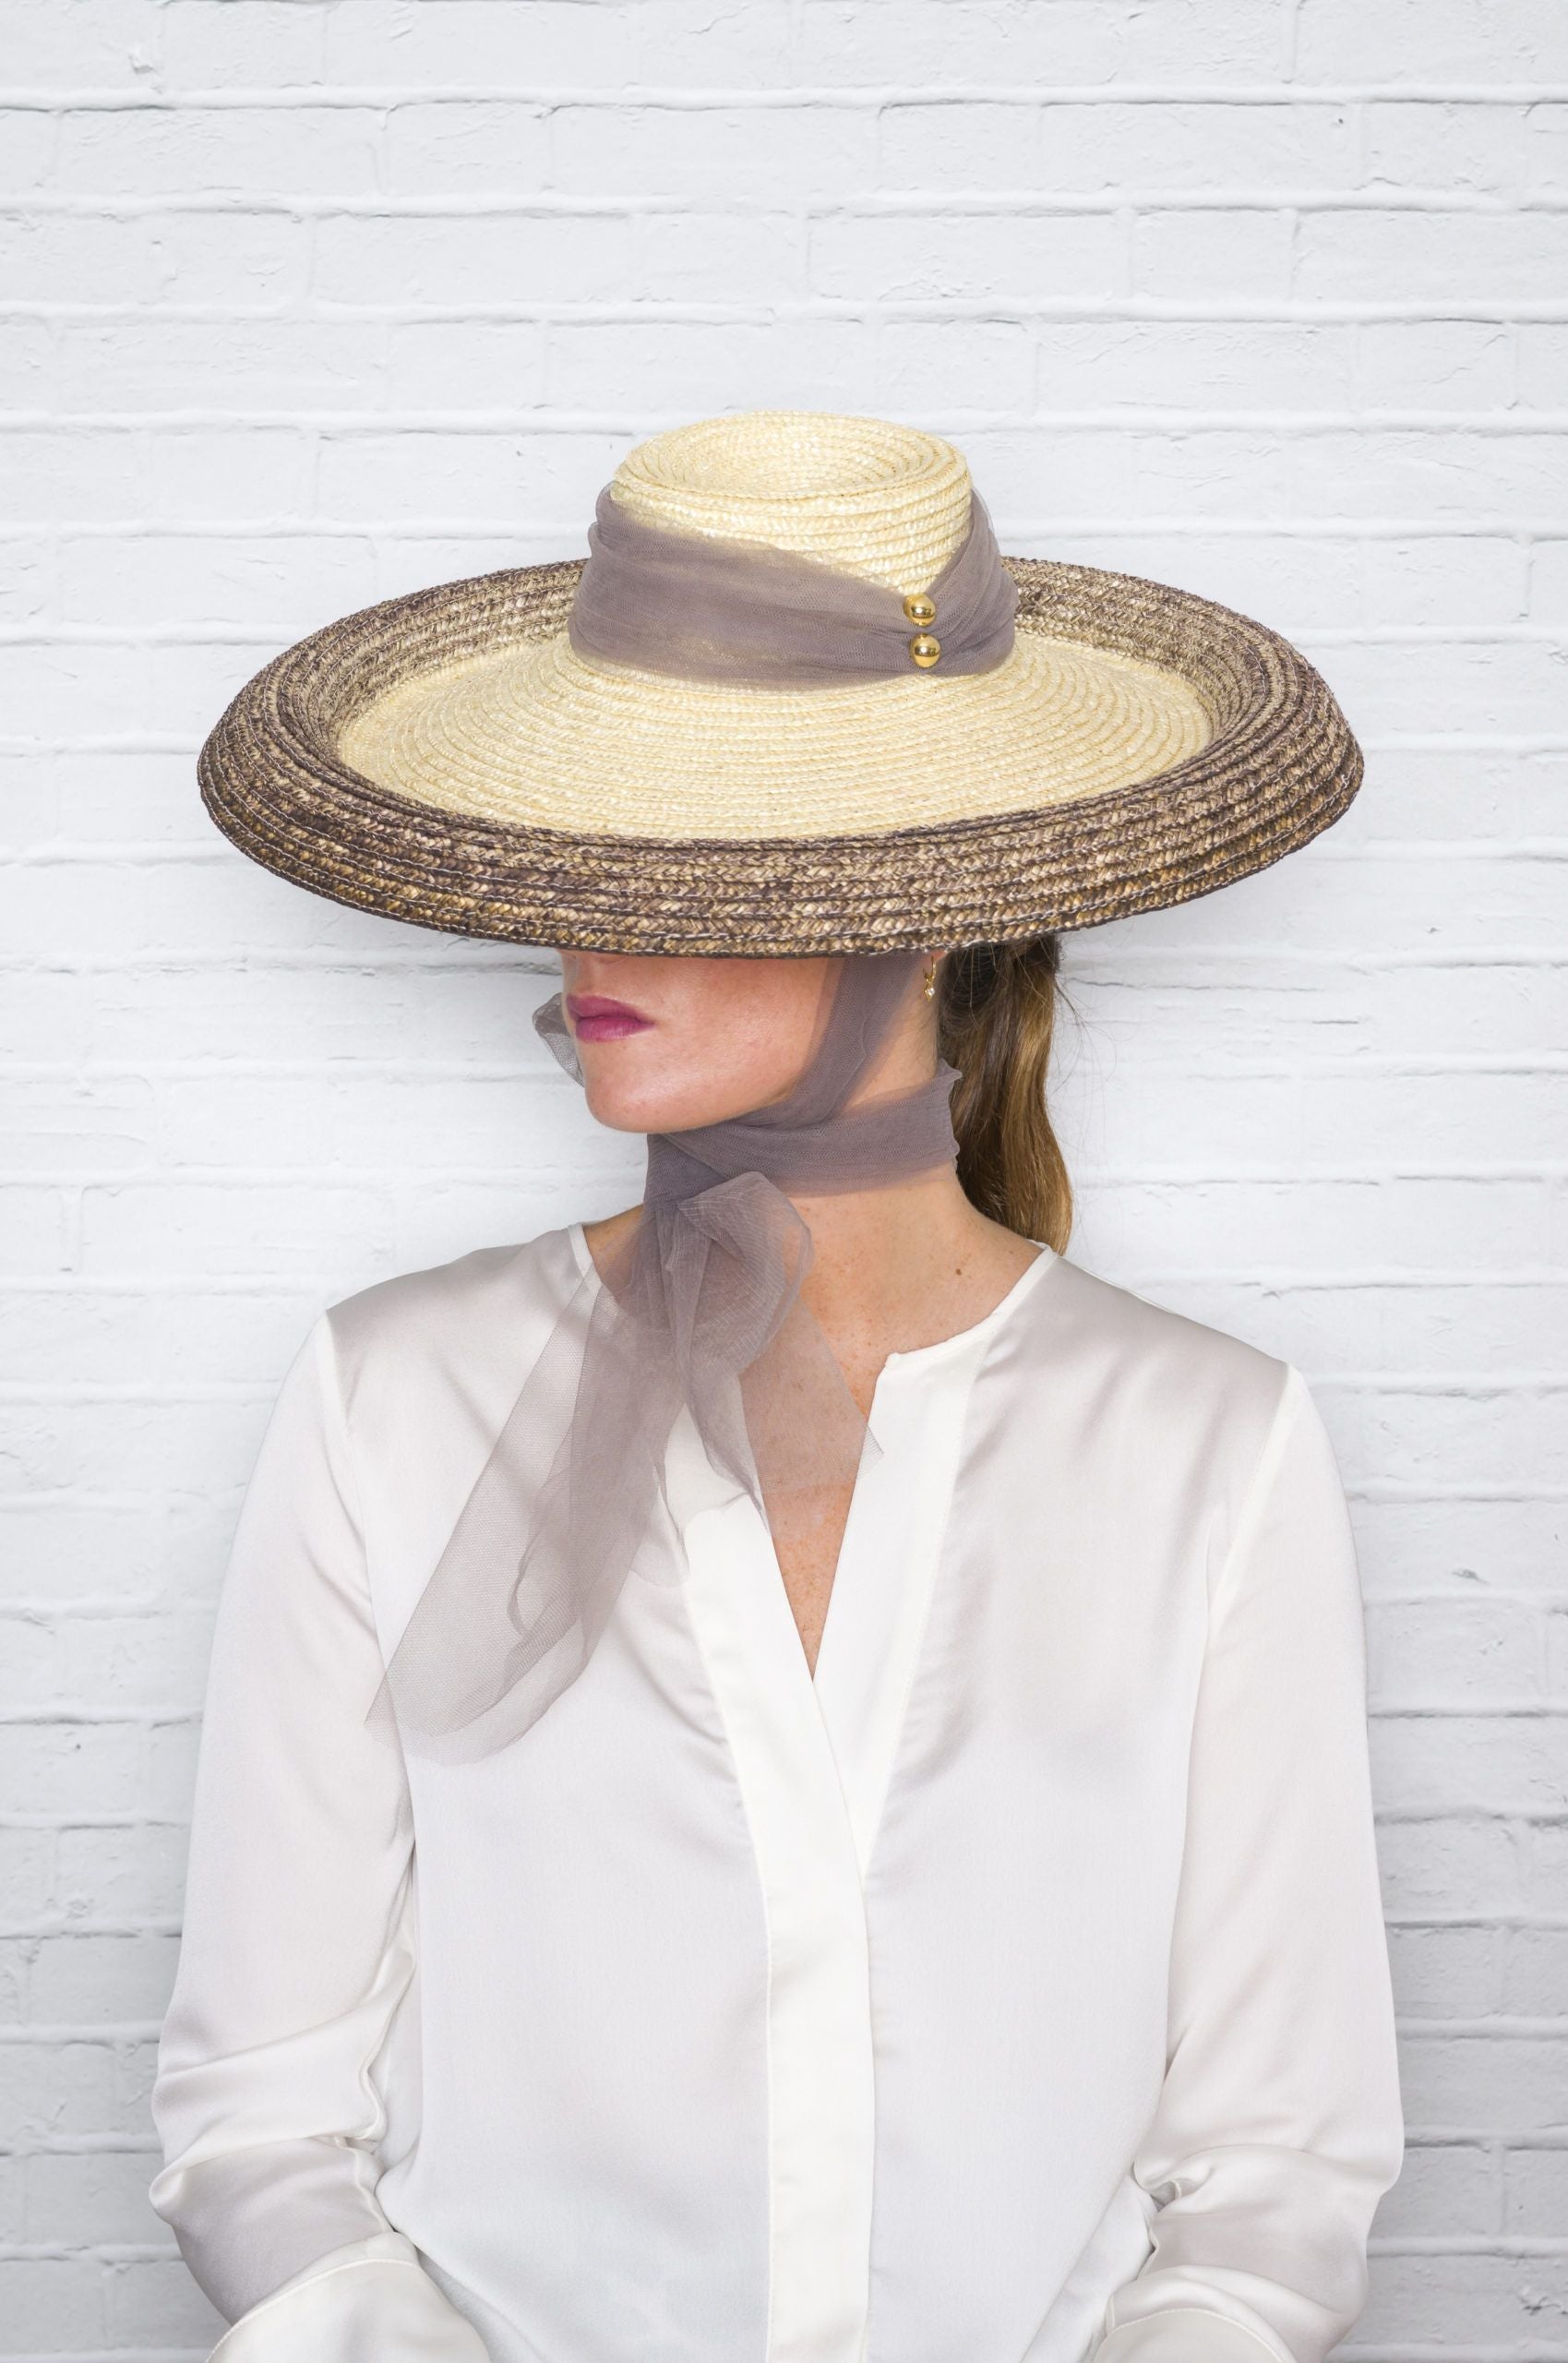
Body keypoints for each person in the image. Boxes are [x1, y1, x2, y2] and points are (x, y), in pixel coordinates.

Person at [149, 408, 1405, 2363]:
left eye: (690, 843)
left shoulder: (1207, 1444)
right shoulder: (393, 1395)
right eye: (586, 835)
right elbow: (262, 2114)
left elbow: (1277, 2170)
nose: (586, 916)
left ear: (924, 902)